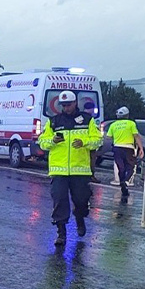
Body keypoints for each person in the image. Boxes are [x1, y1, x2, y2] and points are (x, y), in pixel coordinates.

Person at [37, 91, 101, 246]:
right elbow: (42, 142)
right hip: (59, 170)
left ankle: (80, 217)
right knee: (59, 200)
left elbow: (97, 140)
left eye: (69, 105)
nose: (66, 108)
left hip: (80, 170)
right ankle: (61, 233)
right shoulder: (53, 122)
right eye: (63, 105)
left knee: (81, 200)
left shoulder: (87, 120)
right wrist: (53, 140)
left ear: (75, 103)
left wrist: (84, 142)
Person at [106, 106, 143, 201]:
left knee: (120, 167)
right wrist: (141, 148)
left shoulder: (113, 125)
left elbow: (108, 137)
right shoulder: (131, 124)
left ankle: (122, 184)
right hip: (128, 148)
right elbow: (136, 136)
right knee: (131, 166)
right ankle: (126, 181)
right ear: (127, 115)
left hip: (117, 148)